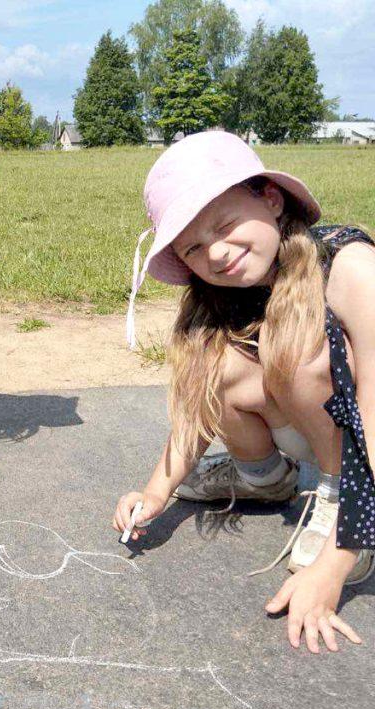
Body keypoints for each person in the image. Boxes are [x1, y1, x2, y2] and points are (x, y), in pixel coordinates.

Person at [115, 131, 375, 653]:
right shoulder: (220, 293)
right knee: (216, 361)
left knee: (292, 344)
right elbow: (195, 412)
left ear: (271, 199)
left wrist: (339, 556)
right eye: (192, 247)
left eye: (225, 225)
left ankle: (335, 496)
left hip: (358, 448)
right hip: (317, 425)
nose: (216, 252)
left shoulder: (351, 268)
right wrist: (155, 493)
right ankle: (263, 480)